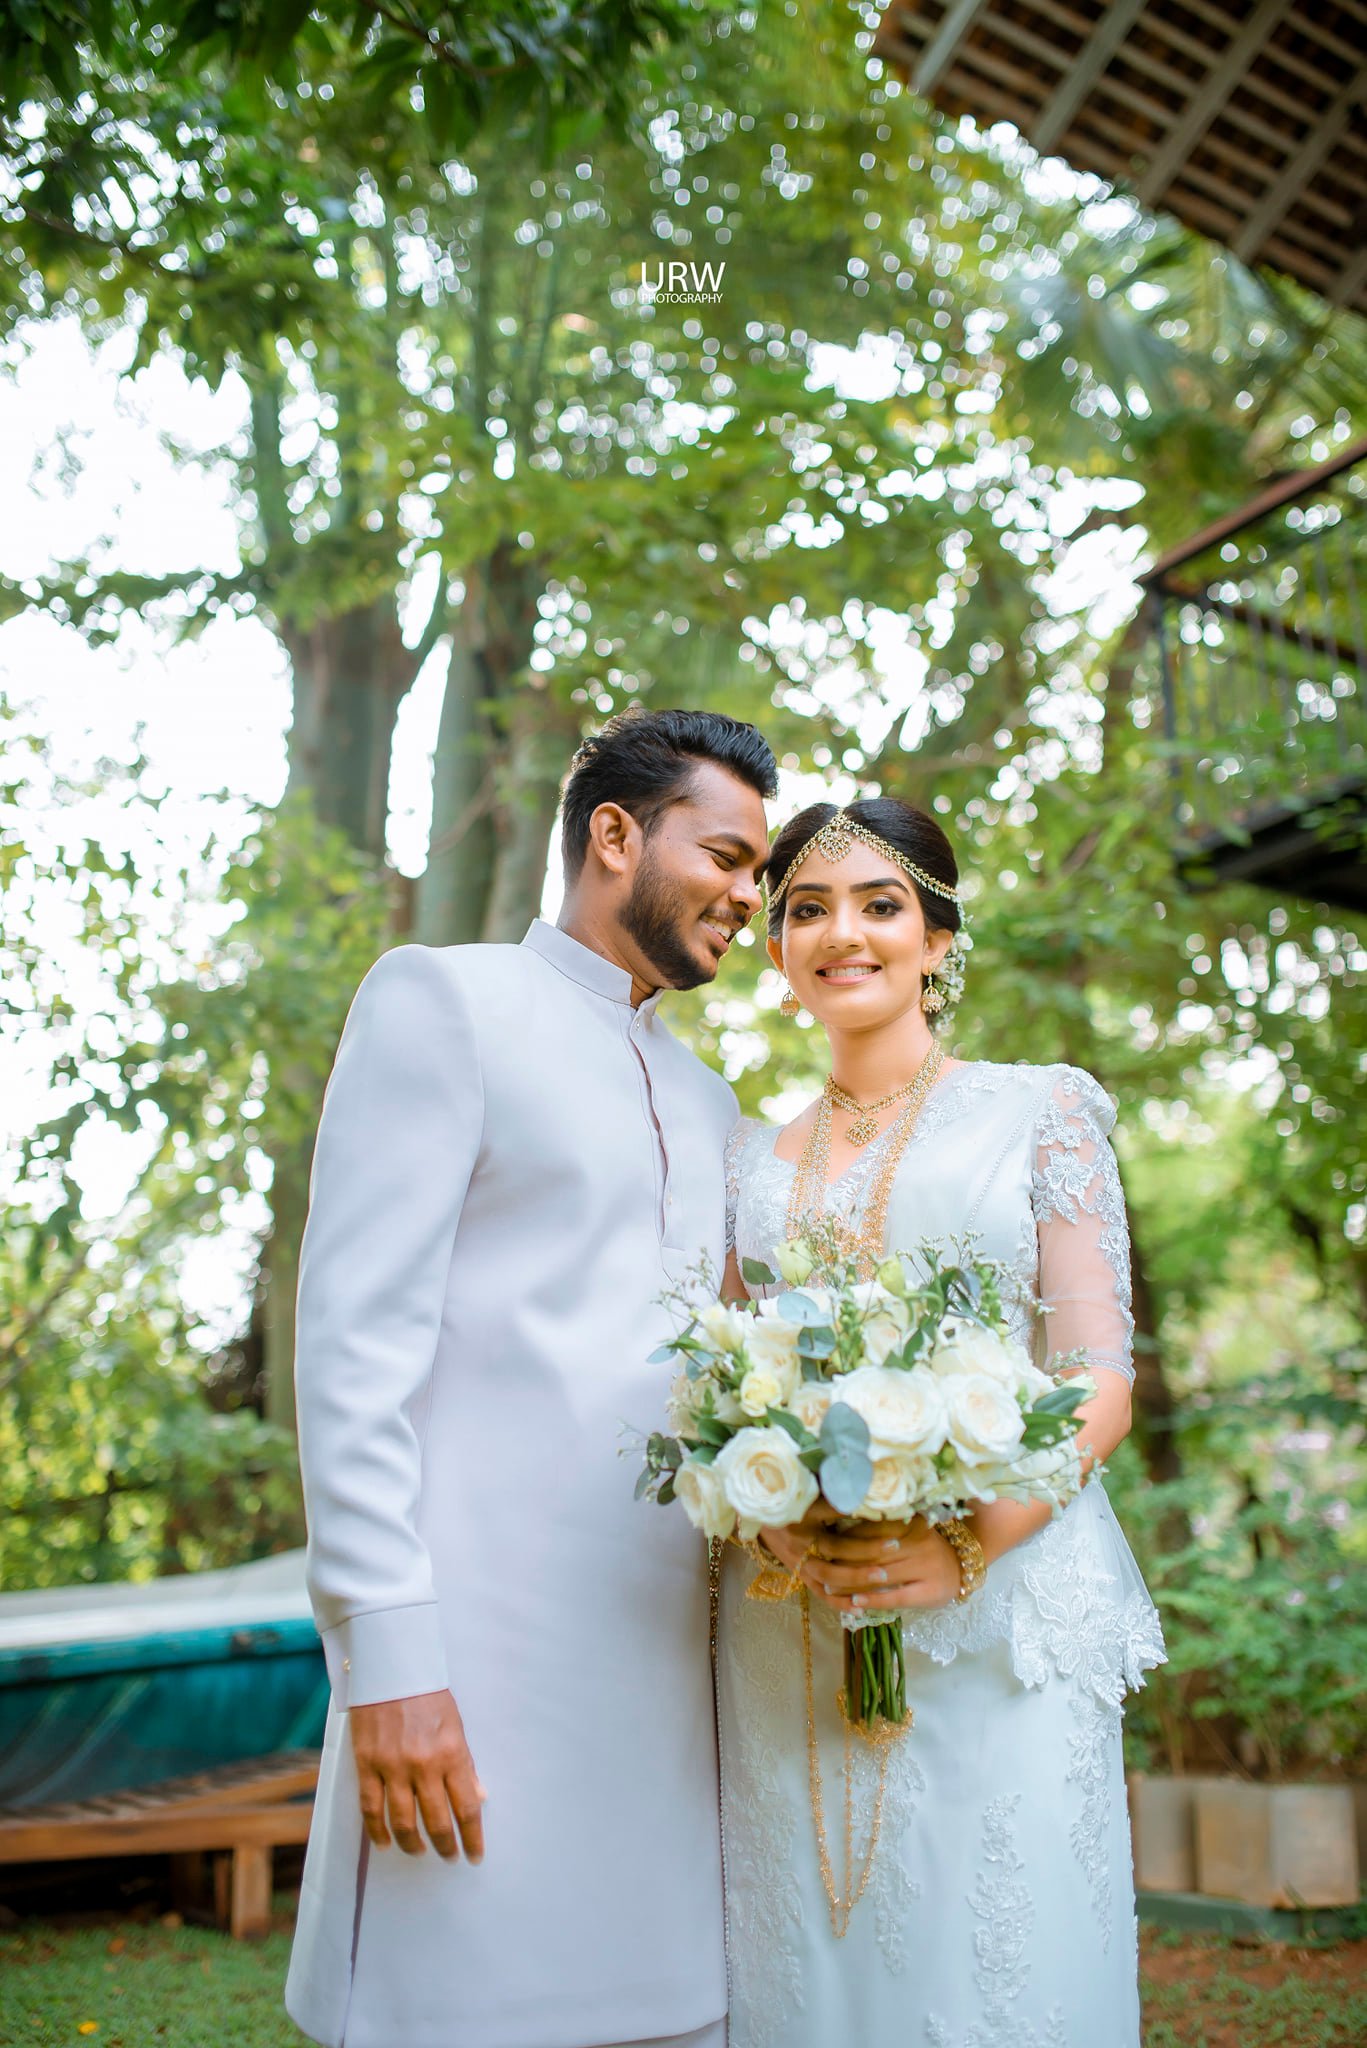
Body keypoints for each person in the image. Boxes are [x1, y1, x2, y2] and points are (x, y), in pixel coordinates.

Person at [285, 708, 776, 2048]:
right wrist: (386, 1656)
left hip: (669, 1666)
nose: (748, 893)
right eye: (725, 855)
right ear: (613, 834)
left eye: (757, 869)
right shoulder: (444, 1001)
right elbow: (353, 1347)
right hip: (475, 1655)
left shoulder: (709, 1102)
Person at [717, 797, 1165, 2048]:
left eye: (880, 904)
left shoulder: (1038, 1111)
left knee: (993, 1963)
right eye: (807, 908)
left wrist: (968, 1539)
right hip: (795, 1622)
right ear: (776, 946)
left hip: (999, 1608)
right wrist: (770, 1519)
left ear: (937, 938)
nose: (841, 933)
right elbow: (731, 1388)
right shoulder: (748, 1163)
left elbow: (1096, 1372)